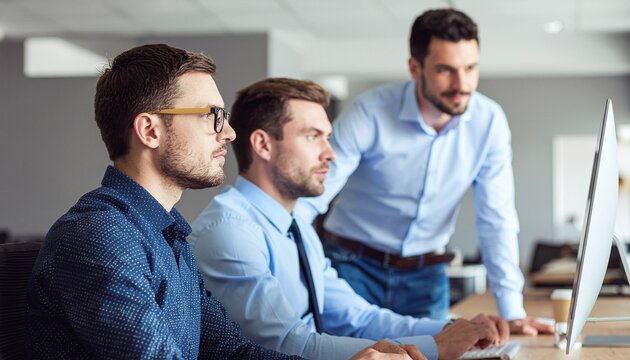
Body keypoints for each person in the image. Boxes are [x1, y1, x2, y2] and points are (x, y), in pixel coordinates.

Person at [26, 44, 422, 360]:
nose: (229, 133)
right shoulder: (99, 237)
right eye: (212, 116)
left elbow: (231, 350)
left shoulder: (167, 232)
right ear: (149, 130)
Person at [188, 77, 509, 360]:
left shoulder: (297, 227)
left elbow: (355, 316)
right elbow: (285, 346)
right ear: (263, 145)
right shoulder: (231, 232)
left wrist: (453, 328)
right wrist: (435, 346)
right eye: (313, 136)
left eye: (328, 137)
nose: (330, 153)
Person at [293, 8, 554, 335]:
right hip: (351, 265)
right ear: (415, 68)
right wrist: (289, 258)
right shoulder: (370, 112)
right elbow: (312, 194)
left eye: (470, 68)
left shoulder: (489, 122)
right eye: (446, 70)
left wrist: (512, 311)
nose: (462, 84)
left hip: (426, 275)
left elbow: (496, 218)